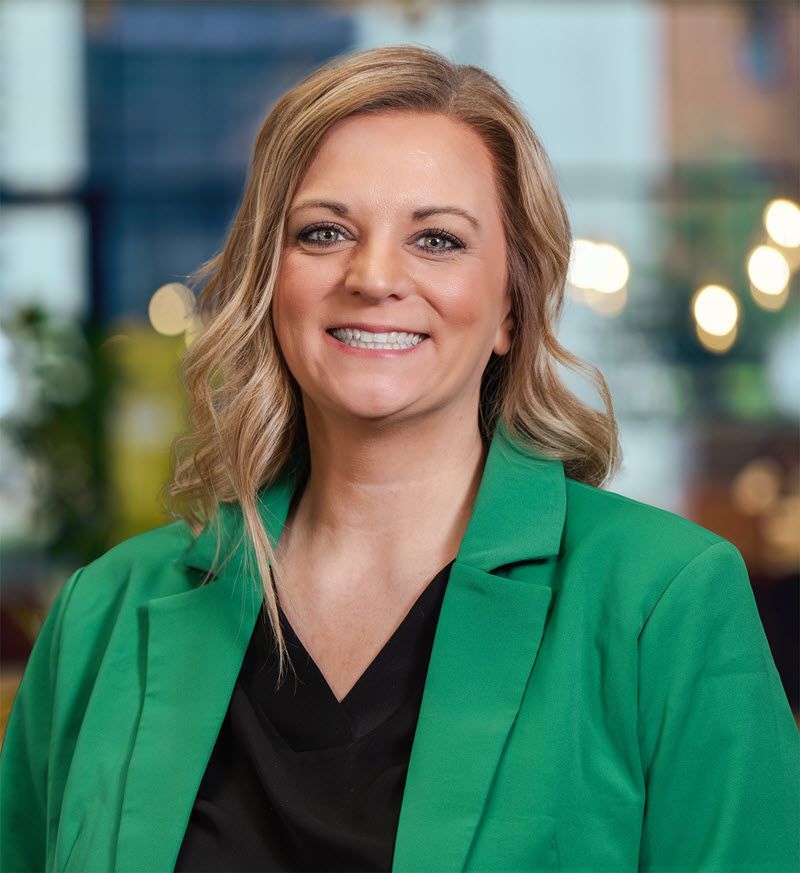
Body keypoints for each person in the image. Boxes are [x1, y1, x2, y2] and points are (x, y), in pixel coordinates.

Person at [1, 43, 798, 873]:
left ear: (510, 312)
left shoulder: (663, 604)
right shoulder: (102, 615)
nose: (374, 275)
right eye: (324, 232)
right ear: (270, 284)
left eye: (438, 240)